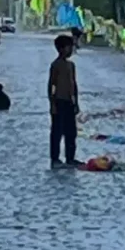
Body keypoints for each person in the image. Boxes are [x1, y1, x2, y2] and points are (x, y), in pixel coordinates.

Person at [48, 34, 79, 168]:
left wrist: (76, 102)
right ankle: (55, 158)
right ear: (61, 49)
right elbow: (51, 85)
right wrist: (52, 104)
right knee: (57, 131)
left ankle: (70, 158)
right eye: (69, 47)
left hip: (69, 102)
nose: (71, 50)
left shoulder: (71, 65)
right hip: (59, 101)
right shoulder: (56, 65)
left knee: (71, 132)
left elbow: (74, 84)